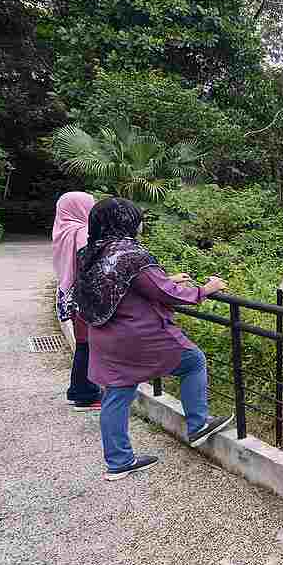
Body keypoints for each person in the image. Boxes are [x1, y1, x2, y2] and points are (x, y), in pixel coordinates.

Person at [74, 197, 233, 481]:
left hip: (104, 335)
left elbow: (123, 284)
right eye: (137, 220)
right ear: (127, 222)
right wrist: (206, 290)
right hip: (136, 334)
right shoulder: (131, 254)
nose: (140, 225)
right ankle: (198, 425)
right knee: (193, 361)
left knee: (117, 393)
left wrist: (163, 278)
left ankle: (119, 461)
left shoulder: (90, 252)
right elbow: (166, 293)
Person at [52, 191, 102, 411]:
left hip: (69, 293)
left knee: (84, 343)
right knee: (87, 344)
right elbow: (89, 264)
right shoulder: (82, 232)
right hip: (84, 295)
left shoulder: (62, 229)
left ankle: (82, 390)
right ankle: (85, 395)